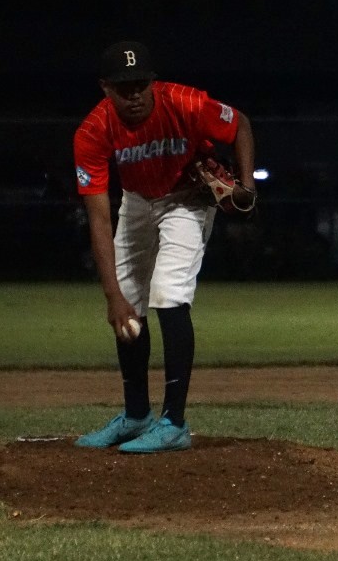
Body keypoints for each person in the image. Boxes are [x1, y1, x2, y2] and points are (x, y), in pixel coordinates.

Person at [72, 40, 256, 453]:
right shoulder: (92, 131)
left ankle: (174, 422)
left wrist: (247, 182)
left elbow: (239, 123)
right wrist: (112, 296)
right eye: (124, 87)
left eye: (141, 84)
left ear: (153, 81)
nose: (134, 94)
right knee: (129, 299)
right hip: (137, 200)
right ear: (105, 87)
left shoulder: (185, 102)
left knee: (169, 295)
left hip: (186, 199)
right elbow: (99, 217)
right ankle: (137, 415)